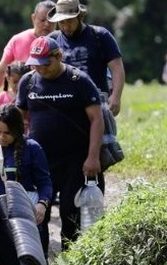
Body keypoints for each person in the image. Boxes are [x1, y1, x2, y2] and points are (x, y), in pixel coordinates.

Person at [15, 36, 104, 251]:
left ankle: (70, 264)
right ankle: (40, 263)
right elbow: (18, 120)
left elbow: (97, 119)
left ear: (59, 56)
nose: (41, 70)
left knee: (69, 212)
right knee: (37, 212)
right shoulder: (28, 82)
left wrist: (93, 156)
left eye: (46, 64)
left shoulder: (79, 81)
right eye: (36, 65)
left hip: (75, 159)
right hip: (40, 161)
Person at [48, 0, 125, 117]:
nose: (65, 27)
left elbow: (117, 68)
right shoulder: (52, 41)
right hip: (64, 105)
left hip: (97, 102)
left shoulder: (100, 36)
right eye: (61, 22)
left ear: (81, 17)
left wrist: (116, 96)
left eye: (69, 21)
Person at [0, 103, 53, 253]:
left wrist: (42, 205)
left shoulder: (32, 148)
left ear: (17, 130)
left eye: (7, 133)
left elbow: (45, 182)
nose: (1, 137)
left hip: (27, 211)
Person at [0, 0, 56, 109]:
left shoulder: (61, 42)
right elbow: (2, 70)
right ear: (33, 18)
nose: (47, 24)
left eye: (51, 20)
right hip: (21, 102)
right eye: (42, 20)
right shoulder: (18, 40)